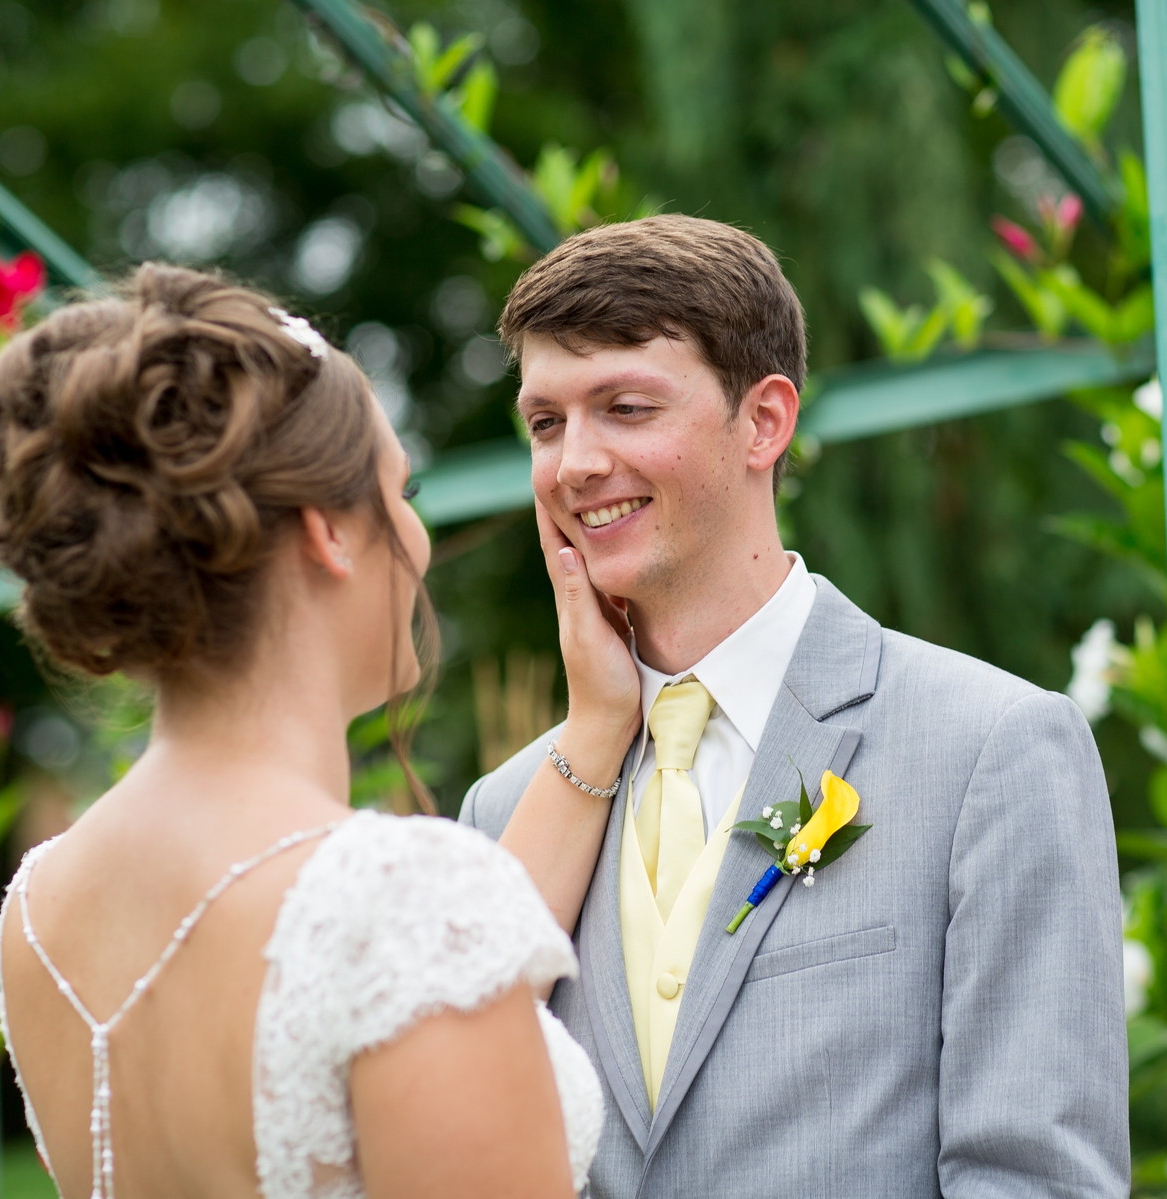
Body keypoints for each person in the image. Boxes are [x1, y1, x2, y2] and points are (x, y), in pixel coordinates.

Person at [461, 214, 1130, 1197]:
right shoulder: (506, 808)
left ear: (765, 421)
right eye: (546, 421)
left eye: (626, 407)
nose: (573, 464)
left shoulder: (991, 746)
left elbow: (1036, 1181)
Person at [0, 264, 638, 1198]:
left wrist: (598, 728)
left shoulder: (42, 909)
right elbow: (385, 952)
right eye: (399, 491)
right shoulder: (400, 899)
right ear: (330, 528)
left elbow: (383, 1000)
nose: (414, 536)